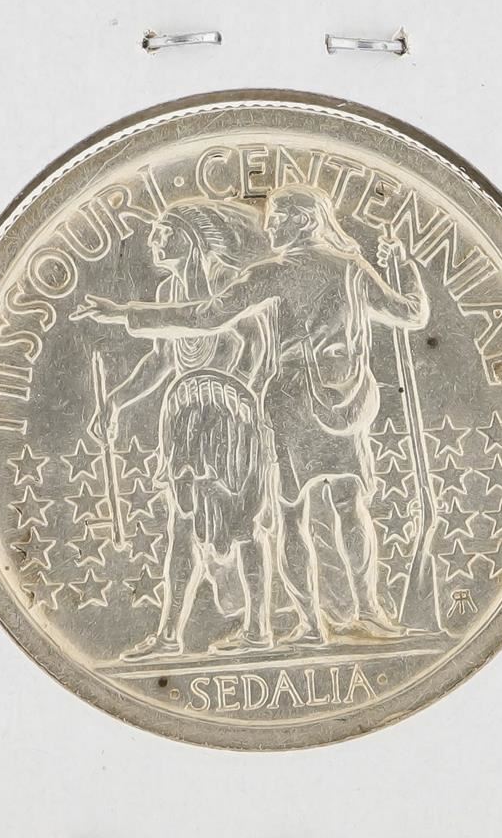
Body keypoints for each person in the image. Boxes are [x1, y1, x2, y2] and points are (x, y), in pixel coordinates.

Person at [82, 185, 430, 643]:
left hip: (293, 399)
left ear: (303, 221)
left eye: (278, 216)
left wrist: (126, 313)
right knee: (345, 505)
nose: (269, 225)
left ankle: (314, 624)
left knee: (293, 515)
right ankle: (363, 611)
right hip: (340, 397)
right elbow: (411, 312)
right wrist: (406, 269)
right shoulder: (349, 268)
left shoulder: (278, 271)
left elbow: (208, 316)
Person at [76, 200, 277, 660]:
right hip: (186, 416)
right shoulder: (168, 289)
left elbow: (253, 345)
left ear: (191, 237)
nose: (154, 240)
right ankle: (169, 635)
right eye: (155, 232)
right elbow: (161, 359)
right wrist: (116, 400)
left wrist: (233, 399)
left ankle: (258, 628)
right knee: (182, 524)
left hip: (231, 418)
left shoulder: (228, 281)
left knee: (244, 525)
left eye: (165, 231)